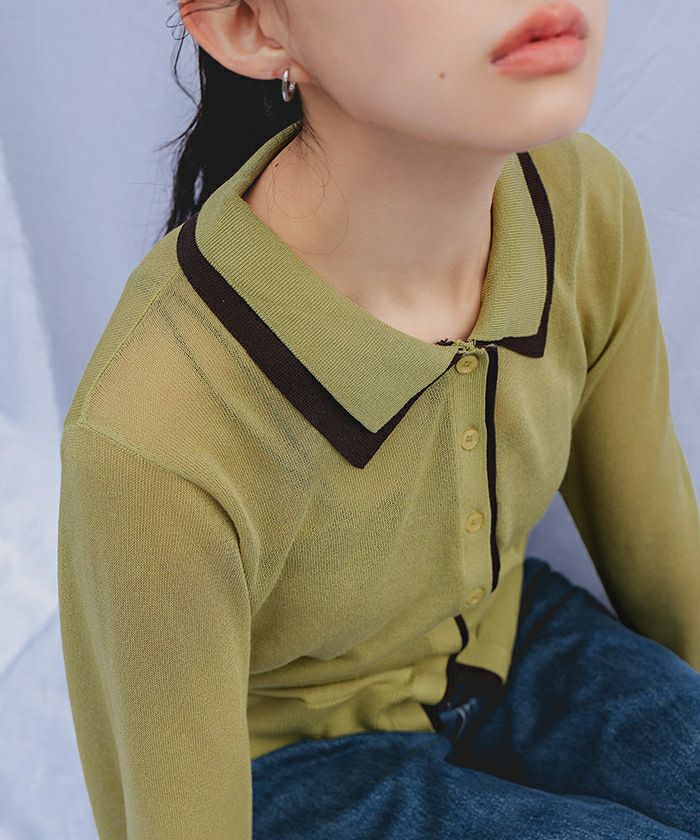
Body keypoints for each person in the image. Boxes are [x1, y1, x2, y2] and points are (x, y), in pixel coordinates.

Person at [57, 0, 700, 838]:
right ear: (253, 26)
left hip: (515, 641)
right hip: (294, 770)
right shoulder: (154, 432)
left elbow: (660, 559)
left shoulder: (580, 200)